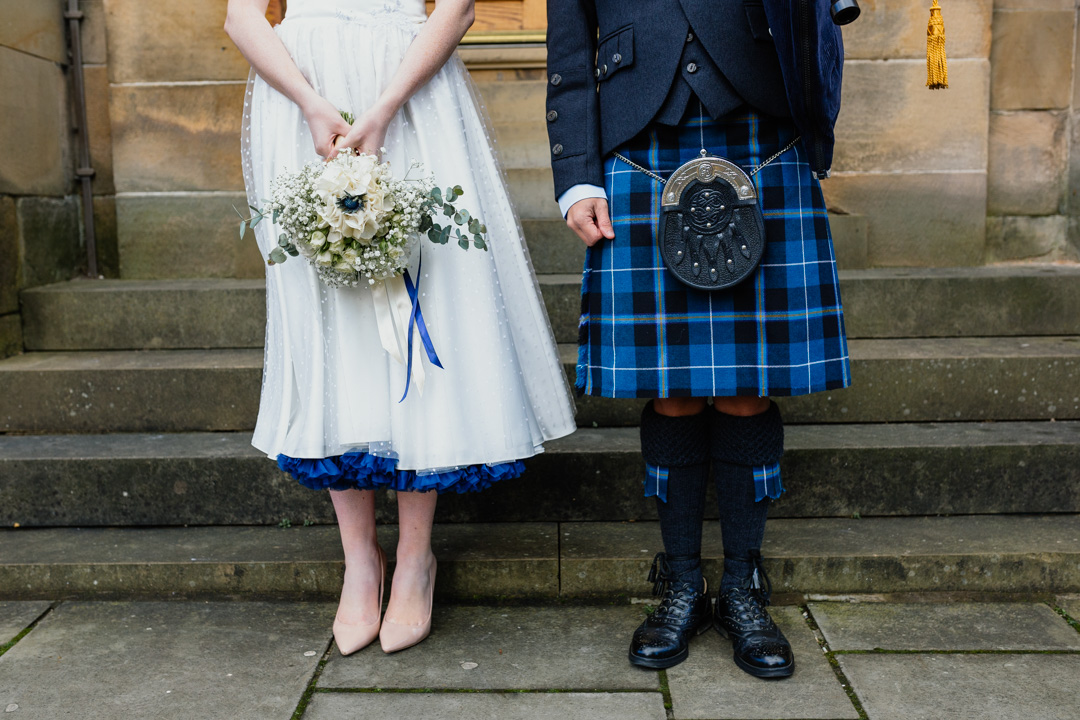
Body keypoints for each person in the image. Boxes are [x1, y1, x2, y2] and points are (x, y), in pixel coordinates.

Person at [226, 0, 576, 656]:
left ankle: (416, 559)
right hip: (298, 91)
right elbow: (240, 16)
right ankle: (361, 561)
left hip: (409, 88)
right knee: (328, 319)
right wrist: (308, 101)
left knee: (429, 300)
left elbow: (459, 6)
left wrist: (385, 104)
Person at [545, 0, 851, 678]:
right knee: (671, 394)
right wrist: (576, 176)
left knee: (746, 389)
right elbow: (569, 45)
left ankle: (743, 587)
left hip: (762, 132)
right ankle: (681, 583)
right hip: (638, 137)